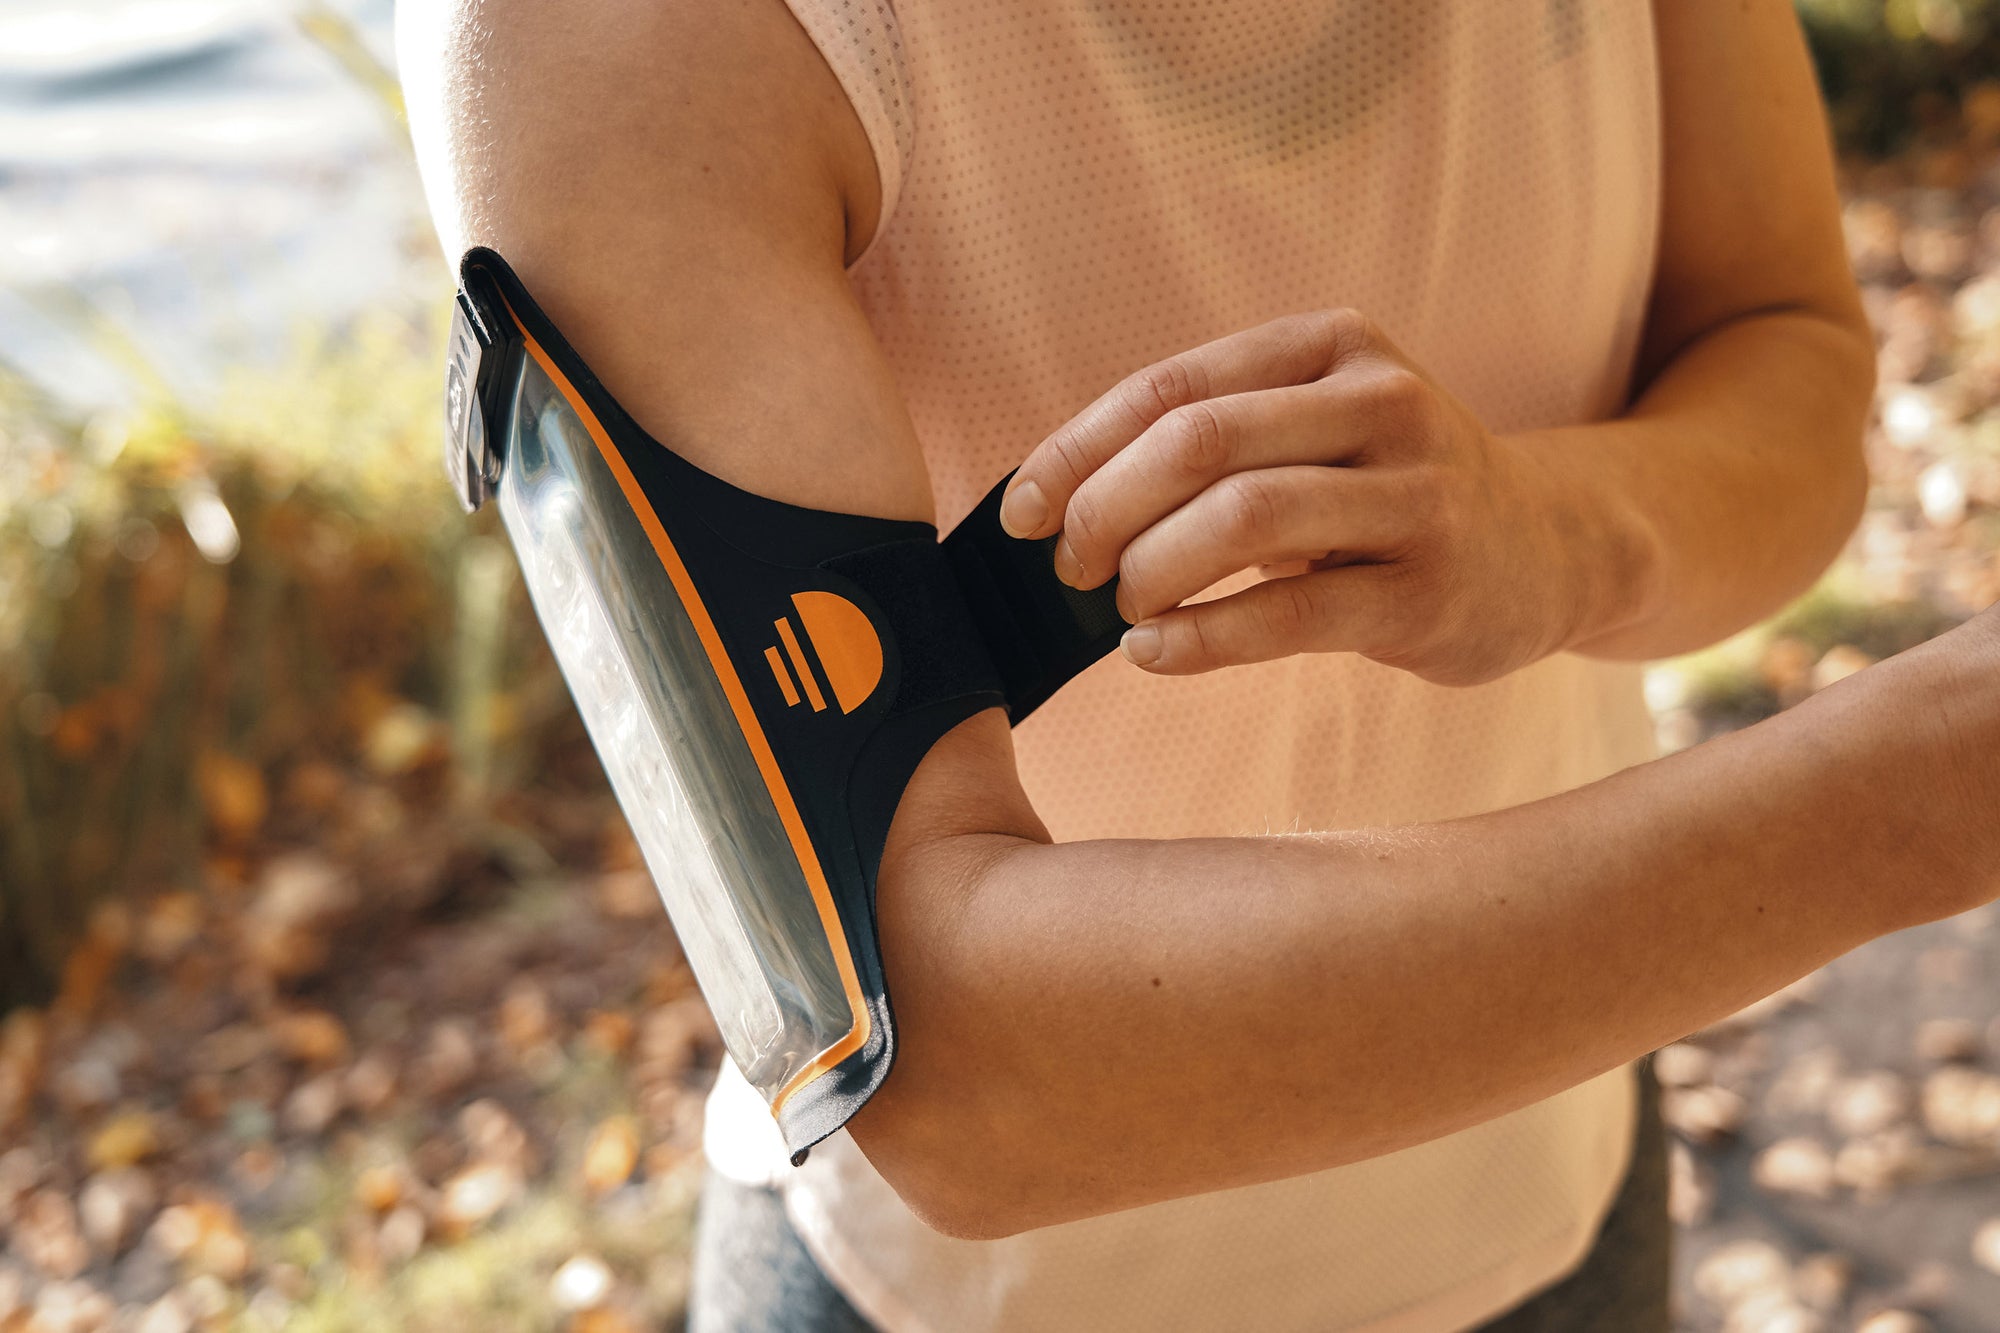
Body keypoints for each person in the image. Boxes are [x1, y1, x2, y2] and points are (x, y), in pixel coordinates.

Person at [396, 1, 1999, 1328]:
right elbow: (949, 1062)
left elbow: (1784, 351)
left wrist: (1560, 535)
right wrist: (1913, 791)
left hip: (1564, 1196)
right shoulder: (601, 33)